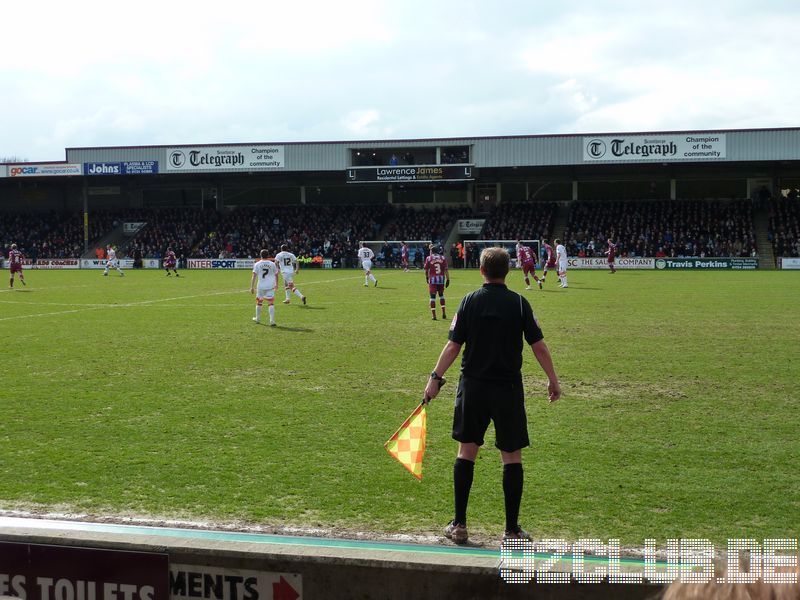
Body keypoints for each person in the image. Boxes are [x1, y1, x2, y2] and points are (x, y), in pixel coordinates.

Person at [423, 247, 561, 544]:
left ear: (481, 270)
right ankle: (511, 530)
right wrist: (553, 380)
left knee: (466, 452)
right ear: (507, 271)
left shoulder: (469, 302)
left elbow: (452, 346)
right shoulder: (520, 304)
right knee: (511, 457)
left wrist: (435, 377)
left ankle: (459, 525)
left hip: (473, 387)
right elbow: (539, 346)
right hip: (508, 389)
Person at [250, 249, 278, 327]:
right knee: (271, 303)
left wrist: (252, 287)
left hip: (261, 286)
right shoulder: (272, 264)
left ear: (260, 255)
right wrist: (277, 284)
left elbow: (254, 276)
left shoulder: (257, 264)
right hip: (270, 286)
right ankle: (272, 320)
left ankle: (258, 319)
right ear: (268, 255)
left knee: (259, 302)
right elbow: (276, 274)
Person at [423, 244, 450, 320]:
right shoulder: (443, 258)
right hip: (441, 279)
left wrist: (427, 277)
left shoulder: (428, 258)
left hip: (432, 280)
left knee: (432, 297)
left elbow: (426, 269)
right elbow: (446, 270)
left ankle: (434, 316)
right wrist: (448, 279)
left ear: (431, 251)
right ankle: (444, 313)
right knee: (441, 295)